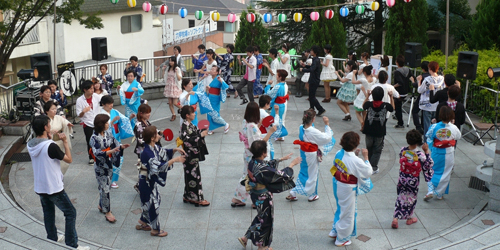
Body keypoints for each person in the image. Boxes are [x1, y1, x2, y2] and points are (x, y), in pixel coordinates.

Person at [27, 115, 90, 250]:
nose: (50, 126)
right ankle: (72, 244)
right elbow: (68, 159)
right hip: (53, 186)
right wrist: (65, 142)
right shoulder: (51, 146)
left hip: (40, 185)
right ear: (45, 127)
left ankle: (52, 238)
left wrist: (50, 136)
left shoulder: (31, 144)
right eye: (49, 124)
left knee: (48, 212)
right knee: (70, 212)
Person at [238, 140, 300, 250]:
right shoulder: (264, 169)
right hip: (263, 197)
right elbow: (281, 175)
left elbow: (266, 165)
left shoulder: (253, 162)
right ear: (263, 152)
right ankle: (262, 247)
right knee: (266, 221)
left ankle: (245, 237)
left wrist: (280, 159)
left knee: (261, 216)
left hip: (255, 194)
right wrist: (291, 165)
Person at [137, 126, 186, 237]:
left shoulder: (153, 148)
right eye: (157, 134)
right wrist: (175, 160)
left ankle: (143, 221)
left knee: (151, 201)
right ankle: (155, 229)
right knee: (154, 203)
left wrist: (174, 150)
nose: (160, 135)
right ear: (153, 138)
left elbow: (163, 152)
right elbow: (158, 167)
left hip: (149, 180)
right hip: (146, 182)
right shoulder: (147, 153)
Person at [329, 131, 372, 247]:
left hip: (338, 184)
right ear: (356, 144)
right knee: (348, 213)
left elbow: (345, 165)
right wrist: (366, 158)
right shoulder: (356, 160)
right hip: (348, 188)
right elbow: (368, 172)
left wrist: (356, 156)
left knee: (340, 208)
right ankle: (341, 238)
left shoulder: (339, 153)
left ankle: (335, 230)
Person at [232, 102, 277, 207]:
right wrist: (270, 132)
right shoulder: (253, 126)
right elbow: (259, 145)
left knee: (248, 175)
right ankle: (249, 199)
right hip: (253, 155)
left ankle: (242, 198)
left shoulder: (245, 122)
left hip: (247, 153)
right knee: (253, 176)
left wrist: (259, 125)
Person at [287, 109, 335, 202]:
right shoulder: (312, 131)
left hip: (303, 152)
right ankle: (312, 194)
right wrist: (327, 124)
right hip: (311, 154)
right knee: (312, 174)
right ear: (313, 119)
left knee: (304, 172)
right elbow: (327, 138)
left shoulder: (301, 127)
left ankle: (293, 192)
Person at [90, 114, 130, 223]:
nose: (108, 124)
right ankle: (107, 211)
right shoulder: (94, 138)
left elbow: (114, 142)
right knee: (105, 188)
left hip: (109, 164)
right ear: (100, 125)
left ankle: (101, 204)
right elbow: (97, 152)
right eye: (106, 123)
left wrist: (120, 147)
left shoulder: (108, 133)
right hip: (100, 167)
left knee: (106, 186)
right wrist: (111, 152)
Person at [392, 129, 434, 229]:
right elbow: (428, 165)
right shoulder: (420, 155)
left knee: (401, 196)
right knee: (411, 198)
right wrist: (426, 151)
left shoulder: (403, 150)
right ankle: (409, 218)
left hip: (402, 178)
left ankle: (396, 218)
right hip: (413, 180)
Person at [424, 106, 462, 201]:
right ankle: (440, 194)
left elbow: (428, 136)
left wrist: (431, 147)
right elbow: (458, 137)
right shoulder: (454, 128)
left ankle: (430, 190)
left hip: (436, 152)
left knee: (433, 171)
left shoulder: (434, 126)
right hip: (449, 153)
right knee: (446, 173)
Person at [99, 95, 134, 189]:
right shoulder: (100, 115)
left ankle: (113, 180)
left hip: (116, 139)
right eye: (109, 104)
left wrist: (130, 118)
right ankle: (106, 178)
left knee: (119, 159)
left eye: (112, 103)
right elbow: (100, 128)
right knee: (108, 160)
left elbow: (124, 120)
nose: (111, 105)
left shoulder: (115, 111)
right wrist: (111, 122)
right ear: (103, 104)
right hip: (106, 140)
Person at [179, 105, 210, 206]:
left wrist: (202, 131)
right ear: (187, 115)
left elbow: (196, 132)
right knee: (195, 176)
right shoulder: (184, 126)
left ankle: (188, 195)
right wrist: (200, 136)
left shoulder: (190, 125)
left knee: (190, 176)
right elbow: (187, 140)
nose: (194, 114)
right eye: (193, 113)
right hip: (189, 156)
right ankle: (197, 198)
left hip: (192, 155)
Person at [362, 86, 395, 174]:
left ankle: (368, 164)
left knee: (369, 148)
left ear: (372, 95)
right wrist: (391, 97)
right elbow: (393, 108)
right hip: (380, 132)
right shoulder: (385, 105)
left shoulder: (369, 104)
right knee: (377, 149)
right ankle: (373, 167)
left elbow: (363, 106)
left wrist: (367, 96)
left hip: (368, 131)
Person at [43, 101, 74, 174]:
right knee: (52, 162)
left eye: (55, 109)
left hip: (60, 142)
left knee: (63, 162)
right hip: (50, 143)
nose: (55, 111)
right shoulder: (44, 120)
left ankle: (60, 176)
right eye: (52, 109)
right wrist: (50, 132)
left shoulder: (59, 118)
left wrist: (68, 125)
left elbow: (65, 122)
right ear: (47, 111)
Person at [76, 80, 101, 165]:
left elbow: (103, 102)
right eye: (90, 88)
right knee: (90, 141)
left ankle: (100, 155)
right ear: (84, 90)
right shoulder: (79, 100)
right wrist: (84, 111)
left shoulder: (96, 96)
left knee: (100, 139)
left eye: (92, 88)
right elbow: (79, 115)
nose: (92, 90)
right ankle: (91, 157)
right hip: (87, 123)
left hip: (98, 121)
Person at [418, 61, 444, 140]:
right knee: (437, 125)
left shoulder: (427, 80)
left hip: (427, 105)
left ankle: (427, 141)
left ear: (429, 69)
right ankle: (436, 139)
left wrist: (419, 81)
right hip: (437, 105)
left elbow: (420, 90)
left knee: (427, 125)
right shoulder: (442, 79)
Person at [204, 66, 231, 135]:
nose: (211, 70)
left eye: (213, 69)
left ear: (216, 72)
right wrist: (208, 89)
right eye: (211, 69)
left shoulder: (219, 78)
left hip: (215, 99)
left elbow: (225, 86)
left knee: (215, 115)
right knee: (209, 113)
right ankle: (211, 128)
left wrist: (221, 81)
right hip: (210, 97)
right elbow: (211, 88)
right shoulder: (211, 78)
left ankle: (225, 124)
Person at [301, 45, 326, 116]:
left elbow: (312, 69)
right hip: (313, 79)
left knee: (312, 96)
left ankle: (320, 109)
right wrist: (305, 66)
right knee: (311, 95)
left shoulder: (316, 60)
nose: (310, 52)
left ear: (315, 52)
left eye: (311, 51)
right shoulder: (315, 59)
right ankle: (311, 108)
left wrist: (303, 69)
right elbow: (312, 67)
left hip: (314, 80)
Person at [267, 69, 289, 141]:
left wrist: (268, 85)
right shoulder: (285, 85)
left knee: (275, 119)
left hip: (277, 105)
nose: (276, 76)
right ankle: (279, 135)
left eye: (277, 75)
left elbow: (269, 94)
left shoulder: (278, 86)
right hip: (282, 104)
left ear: (280, 77)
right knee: (280, 119)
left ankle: (279, 135)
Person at [393, 55, 415, 128]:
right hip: (406, 91)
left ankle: (400, 123)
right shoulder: (407, 70)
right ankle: (397, 116)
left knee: (398, 107)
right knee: (397, 106)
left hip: (399, 92)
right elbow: (412, 77)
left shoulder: (397, 72)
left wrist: (392, 86)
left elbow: (400, 83)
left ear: (397, 62)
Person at [162, 56, 183, 121]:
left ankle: (184, 109)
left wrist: (176, 72)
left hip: (175, 86)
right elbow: (164, 77)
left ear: (175, 62)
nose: (170, 62)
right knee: (170, 103)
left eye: (172, 61)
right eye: (170, 61)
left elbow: (179, 78)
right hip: (169, 86)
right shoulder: (168, 68)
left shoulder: (177, 68)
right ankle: (173, 114)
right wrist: (163, 70)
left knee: (175, 103)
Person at [412, 61, 430, 134]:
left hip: (422, 96)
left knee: (415, 111)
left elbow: (417, 86)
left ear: (423, 69)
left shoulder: (423, 77)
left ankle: (418, 127)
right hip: (430, 97)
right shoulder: (432, 76)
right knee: (424, 112)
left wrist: (414, 81)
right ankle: (423, 126)